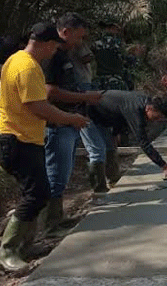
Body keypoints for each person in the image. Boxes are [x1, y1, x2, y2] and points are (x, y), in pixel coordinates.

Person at [0, 22, 90, 271]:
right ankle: (7, 250)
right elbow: (38, 107)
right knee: (35, 195)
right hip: (17, 140)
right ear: (46, 44)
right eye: (54, 47)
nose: (55, 52)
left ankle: (25, 245)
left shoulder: (15, 60)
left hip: (22, 138)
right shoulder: (28, 68)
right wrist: (71, 119)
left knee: (39, 192)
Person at [42, 13, 105, 237]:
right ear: (65, 32)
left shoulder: (65, 54)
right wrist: (83, 98)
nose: (80, 43)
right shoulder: (53, 56)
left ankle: (57, 218)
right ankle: (50, 224)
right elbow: (50, 92)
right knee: (55, 172)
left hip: (69, 119)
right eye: (78, 37)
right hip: (57, 121)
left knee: (63, 171)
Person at [86, 91, 167, 179]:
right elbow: (143, 142)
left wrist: (115, 133)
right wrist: (164, 166)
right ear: (149, 108)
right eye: (156, 117)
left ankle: (112, 180)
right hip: (87, 113)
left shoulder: (144, 102)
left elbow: (120, 111)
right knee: (97, 152)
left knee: (111, 148)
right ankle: (99, 190)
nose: (156, 120)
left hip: (103, 117)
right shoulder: (136, 110)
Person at [92, 18, 132, 90]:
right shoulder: (118, 44)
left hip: (101, 82)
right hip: (117, 80)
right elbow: (126, 62)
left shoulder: (96, 44)